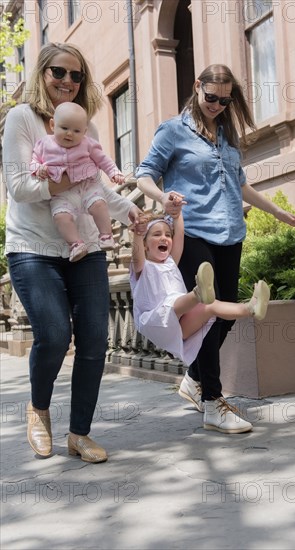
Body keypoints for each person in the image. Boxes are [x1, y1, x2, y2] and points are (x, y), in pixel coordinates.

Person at [136, 64, 295, 434]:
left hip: (231, 232)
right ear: (197, 87)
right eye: (210, 97)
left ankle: (193, 379)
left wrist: (279, 211)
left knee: (225, 315)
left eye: (224, 100)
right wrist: (164, 196)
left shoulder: (227, 132)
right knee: (209, 308)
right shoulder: (173, 131)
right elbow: (144, 174)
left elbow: (240, 184)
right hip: (192, 232)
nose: (216, 104)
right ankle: (214, 402)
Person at [2, 42, 142, 462]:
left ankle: (79, 433)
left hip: (86, 246)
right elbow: (19, 187)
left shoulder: (89, 129)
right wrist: (61, 182)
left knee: (96, 340)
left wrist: (129, 210)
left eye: (76, 75)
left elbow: (95, 188)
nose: (66, 81)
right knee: (55, 334)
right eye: (58, 72)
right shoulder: (21, 120)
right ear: (42, 74)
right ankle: (39, 409)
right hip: (34, 246)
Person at [130, 200, 270, 433]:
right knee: (176, 302)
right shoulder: (142, 267)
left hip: (179, 324)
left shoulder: (171, 262)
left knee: (210, 307)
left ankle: (250, 308)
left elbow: (180, 235)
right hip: (156, 321)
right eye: (156, 235)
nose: (164, 238)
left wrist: (178, 215)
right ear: (145, 245)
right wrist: (136, 234)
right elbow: (135, 256)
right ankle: (197, 292)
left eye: (167, 235)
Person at [31, 101, 125, 261]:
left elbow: (103, 160)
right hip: (61, 192)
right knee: (60, 217)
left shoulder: (88, 144)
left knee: (99, 205)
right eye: (64, 128)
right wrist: (38, 168)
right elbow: (34, 160)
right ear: (53, 125)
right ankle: (75, 244)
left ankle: (105, 235)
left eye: (76, 131)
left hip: (87, 185)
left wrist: (114, 172)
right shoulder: (44, 144)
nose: (70, 134)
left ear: (84, 132)